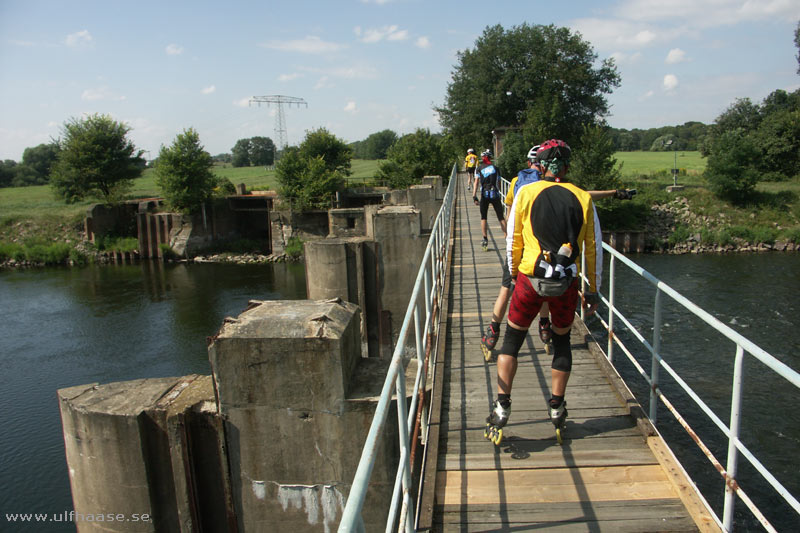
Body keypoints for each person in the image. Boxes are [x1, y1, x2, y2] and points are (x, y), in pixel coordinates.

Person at [484, 139, 603, 445]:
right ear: (566, 165)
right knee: (562, 341)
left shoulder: (526, 192)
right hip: (566, 284)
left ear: (543, 166)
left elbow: (514, 239)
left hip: (529, 279)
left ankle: (502, 407)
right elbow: (593, 249)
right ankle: (556, 407)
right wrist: (593, 290)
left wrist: (512, 275)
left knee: (512, 341)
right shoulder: (584, 198)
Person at [480, 147, 636, 359]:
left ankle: (493, 332)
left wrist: (512, 243)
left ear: (533, 164)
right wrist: (614, 193)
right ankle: (545, 327)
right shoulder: (559, 187)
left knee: (506, 289)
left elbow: (511, 216)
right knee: (545, 290)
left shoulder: (518, 182)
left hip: (523, 251)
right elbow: (583, 196)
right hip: (548, 254)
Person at [472, 149, 507, 251]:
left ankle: (485, 239)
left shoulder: (479, 168)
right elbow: (499, 182)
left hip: (484, 195)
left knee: (484, 217)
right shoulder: (496, 168)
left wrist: (474, 196)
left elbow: (476, 182)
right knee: (501, 217)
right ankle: (507, 237)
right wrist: (498, 191)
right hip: (495, 194)